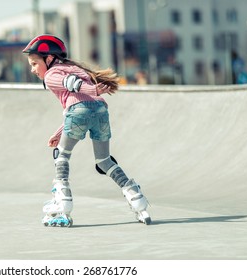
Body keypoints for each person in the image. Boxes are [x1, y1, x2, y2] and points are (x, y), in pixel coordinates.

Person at [22, 34, 151, 227]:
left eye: (34, 63)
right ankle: (136, 197)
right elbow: (81, 105)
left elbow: (74, 88)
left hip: (82, 109)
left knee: (62, 155)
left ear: (49, 59)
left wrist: (93, 90)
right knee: (104, 160)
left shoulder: (51, 75)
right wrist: (59, 133)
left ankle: (62, 201)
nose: (32, 69)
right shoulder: (75, 68)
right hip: (100, 111)